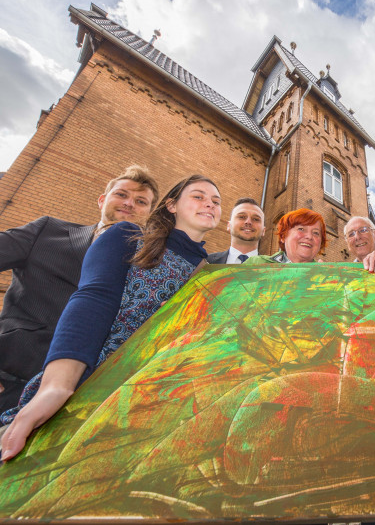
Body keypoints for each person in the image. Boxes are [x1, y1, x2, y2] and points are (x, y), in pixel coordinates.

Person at [1, 175, 221, 461]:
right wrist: (57, 386)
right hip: (86, 383)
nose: (210, 204)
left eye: (216, 201)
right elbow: (94, 298)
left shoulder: (211, 274)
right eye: (199, 196)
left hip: (142, 403)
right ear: (171, 205)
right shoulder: (128, 237)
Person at [0, 165, 159, 414]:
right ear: (102, 200)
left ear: (148, 214)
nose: (129, 203)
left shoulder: (151, 270)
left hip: (80, 404)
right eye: (121, 194)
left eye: (140, 201)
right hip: (10, 377)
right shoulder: (48, 231)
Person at [247, 208, 326, 264]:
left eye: (316, 233)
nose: (309, 236)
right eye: (301, 229)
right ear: (283, 236)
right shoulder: (255, 264)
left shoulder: (329, 278)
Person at [208, 197, 265, 264]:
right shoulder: (205, 263)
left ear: (263, 231)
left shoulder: (275, 269)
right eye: (242, 217)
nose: (248, 222)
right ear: (229, 226)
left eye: (256, 219)